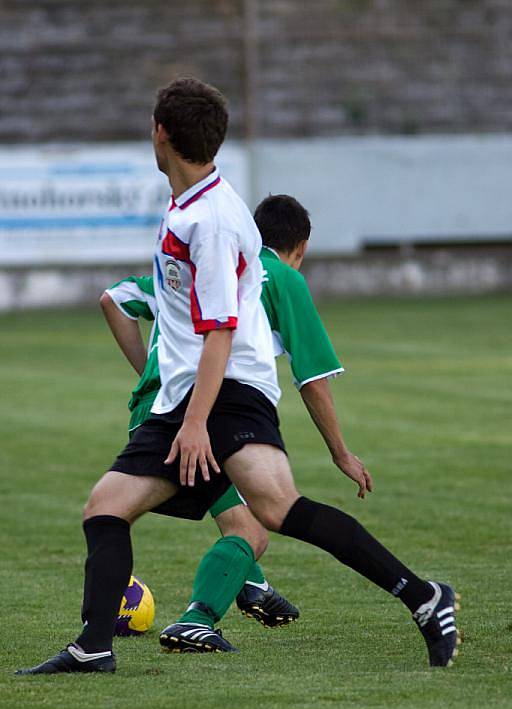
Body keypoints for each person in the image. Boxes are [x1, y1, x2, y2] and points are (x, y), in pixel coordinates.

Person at [17, 78, 460, 675]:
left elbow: (221, 329)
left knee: (276, 509)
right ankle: (94, 646)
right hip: (191, 394)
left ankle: (423, 596)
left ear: (162, 134)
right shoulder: (191, 204)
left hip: (225, 391)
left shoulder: (215, 220)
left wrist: (196, 422)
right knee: (107, 506)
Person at [101, 194, 349, 647]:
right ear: (302, 247)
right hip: (195, 417)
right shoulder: (277, 278)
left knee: (232, 519)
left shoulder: (202, 265)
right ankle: (197, 619)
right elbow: (313, 378)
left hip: (153, 413)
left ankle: (251, 585)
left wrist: (151, 376)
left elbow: (113, 301)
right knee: (251, 529)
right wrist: (342, 452)